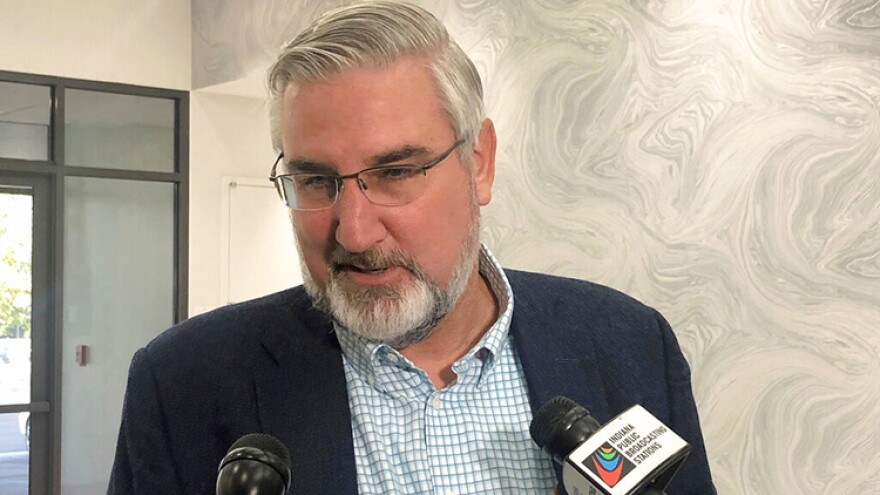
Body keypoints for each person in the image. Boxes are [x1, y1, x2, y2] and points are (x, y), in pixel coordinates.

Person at [108, 1, 716, 493]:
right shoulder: (184, 383)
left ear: (478, 163)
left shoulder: (629, 344)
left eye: (396, 172)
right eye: (316, 181)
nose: (354, 232)